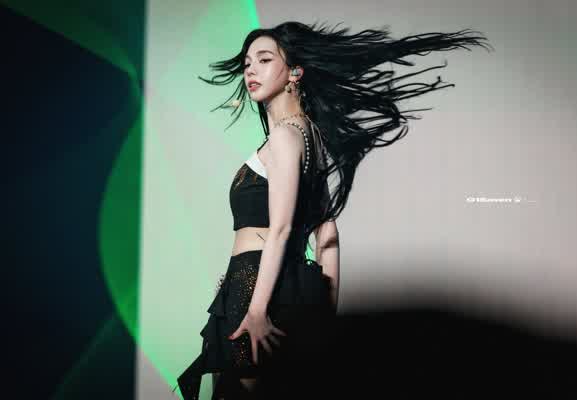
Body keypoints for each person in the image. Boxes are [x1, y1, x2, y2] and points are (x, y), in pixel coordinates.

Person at [172, 20, 492, 399]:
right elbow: (328, 236)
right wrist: (327, 319)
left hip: (257, 287)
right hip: (271, 286)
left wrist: (256, 310)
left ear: (295, 72)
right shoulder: (310, 137)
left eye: (264, 60)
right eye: (247, 64)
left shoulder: (285, 137)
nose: (251, 71)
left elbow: (281, 229)